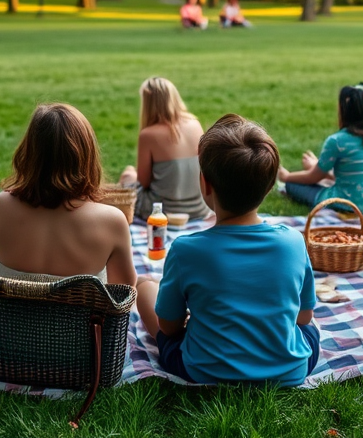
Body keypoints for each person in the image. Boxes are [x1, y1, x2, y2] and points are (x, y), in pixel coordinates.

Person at [135, 114, 319, 385]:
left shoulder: (186, 249)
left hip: (203, 370)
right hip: (290, 370)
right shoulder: (293, 241)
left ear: (205, 184)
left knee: (144, 287)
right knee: (311, 330)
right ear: (269, 187)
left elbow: (169, 326)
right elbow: (304, 317)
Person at [0, 103, 136, 285]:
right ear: (87, 156)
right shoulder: (112, 221)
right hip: (85, 315)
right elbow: (123, 294)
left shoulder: (0, 207)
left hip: (7, 314)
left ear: (29, 153)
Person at [278, 83, 363, 216]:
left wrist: (286, 176)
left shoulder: (338, 141)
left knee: (292, 185)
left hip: (348, 204)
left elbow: (312, 177)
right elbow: (357, 172)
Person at [117, 77, 212, 222]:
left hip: (161, 211)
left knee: (128, 175)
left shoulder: (148, 134)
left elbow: (144, 182)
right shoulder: (194, 124)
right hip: (199, 208)